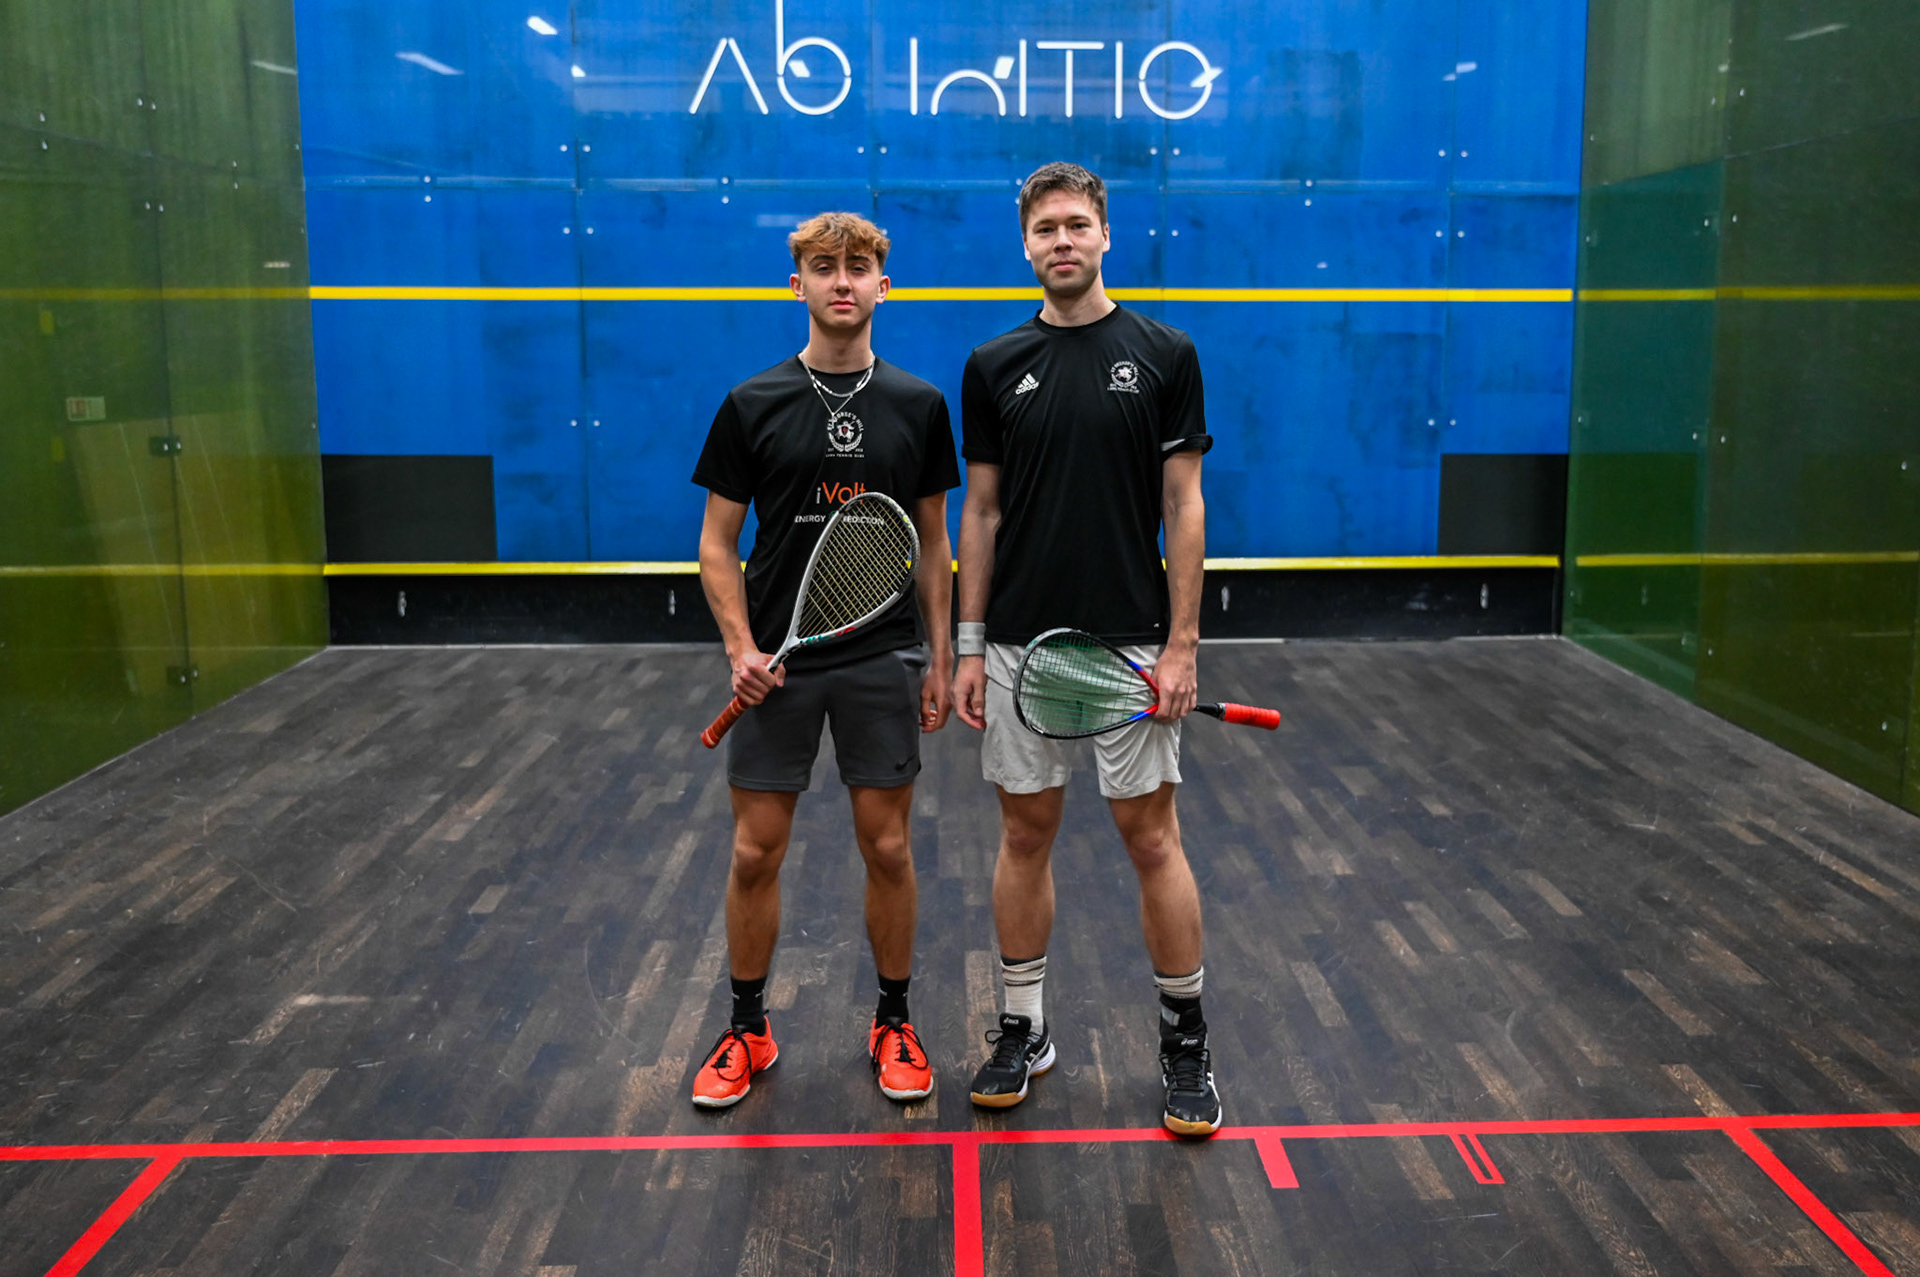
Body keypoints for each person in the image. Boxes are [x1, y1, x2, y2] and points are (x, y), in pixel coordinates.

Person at [952, 162, 1220, 1136]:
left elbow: (1184, 503)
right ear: (1024, 244)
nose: (1061, 241)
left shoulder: (1164, 352)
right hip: (1019, 642)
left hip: (1133, 643)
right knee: (1024, 835)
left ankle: (1185, 1042)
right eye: (1045, 229)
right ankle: (1023, 1029)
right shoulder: (992, 364)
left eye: (1076, 224)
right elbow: (981, 511)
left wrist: (1183, 644)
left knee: (1152, 838)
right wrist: (969, 646)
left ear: (1106, 233)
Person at [690, 211, 958, 1109]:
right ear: (796, 282)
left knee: (888, 846)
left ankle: (894, 1021)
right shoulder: (751, 402)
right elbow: (717, 543)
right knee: (754, 851)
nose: (842, 281)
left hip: (882, 658)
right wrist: (740, 648)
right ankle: (747, 1028)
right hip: (779, 665)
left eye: (858, 266)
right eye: (823, 266)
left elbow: (932, 542)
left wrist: (941, 657)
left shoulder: (919, 404)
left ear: (884, 283)